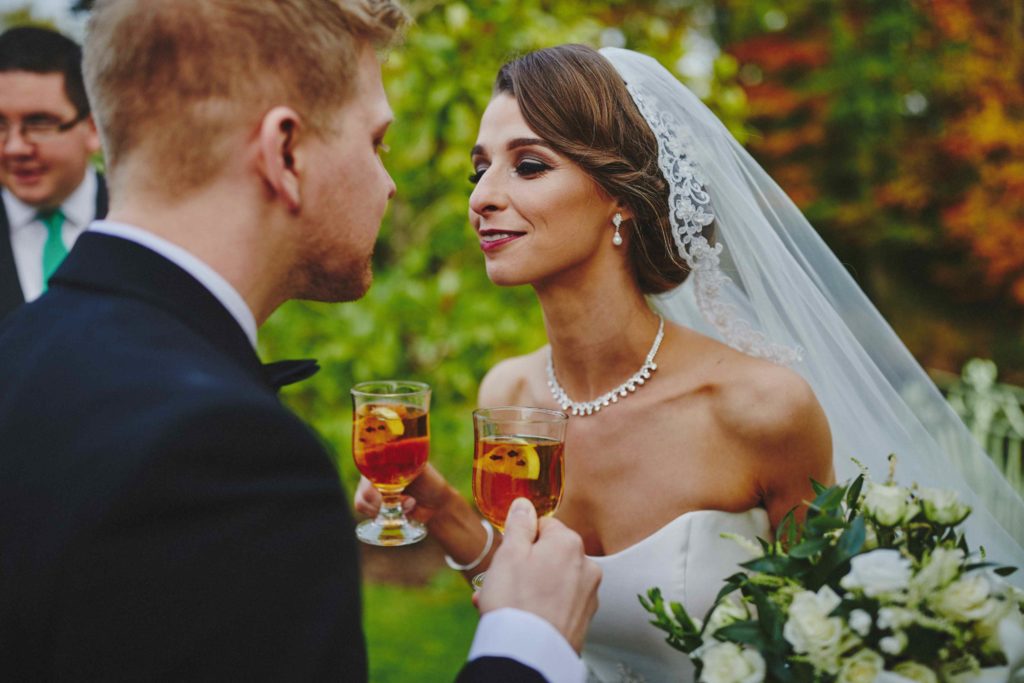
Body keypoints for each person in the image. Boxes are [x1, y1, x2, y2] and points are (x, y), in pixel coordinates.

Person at [357, 44, 1024, 682]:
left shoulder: (761, 409)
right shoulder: (510, 395)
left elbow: (820, 642)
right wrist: (443, 509)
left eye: (528, 165)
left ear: (619, 193)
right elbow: (522, 601)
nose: (482, 198)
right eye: (481, 169)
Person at [0, 3, 600, 682]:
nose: (389, 183)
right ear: (286, 152)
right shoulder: (228, 457)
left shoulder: (20, 348)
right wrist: (528, 641)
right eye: (375, 142)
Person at [0, 26, 106, 321]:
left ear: (93, 128)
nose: (15, 148)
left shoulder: (142, 226)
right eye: (0, 125)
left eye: (39, 123)